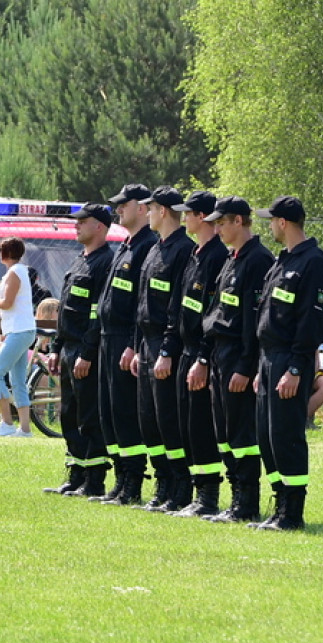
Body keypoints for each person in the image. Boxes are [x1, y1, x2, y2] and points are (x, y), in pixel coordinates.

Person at [251, 196, 323, 530]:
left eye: (271, 220)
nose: (269, 225)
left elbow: (311, 323)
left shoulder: (313, 262)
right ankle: (279, 501)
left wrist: (297, 369)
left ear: (283, 222)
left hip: (289, 359)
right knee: (267, 437)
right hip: (269, 358)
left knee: (286, 436)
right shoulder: (281, 261)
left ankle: (292, 512)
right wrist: (262, 367)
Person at [195, 196, 274, 524]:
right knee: (224, 432)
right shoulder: (231, 259)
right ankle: (234, 499)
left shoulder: (258, 260)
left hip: (238, 357)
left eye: (223, 222)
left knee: (242, 434)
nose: (217, 228)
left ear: (239, 221)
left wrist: (246, 366)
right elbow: (216, 310)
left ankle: (247, 503)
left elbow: (253, 322)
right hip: (220, 355)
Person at [92, 184, 157, 505]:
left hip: (125, 341)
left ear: (142, 208)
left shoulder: (148, 245)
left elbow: (143, 303)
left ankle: (132, 482)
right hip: (108, 339)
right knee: (110, 414)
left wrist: (133, 344)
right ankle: (119, 480)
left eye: (123, 205)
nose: (118, 210)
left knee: (126, 413)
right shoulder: (126, 245)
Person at [165, 191, 229, 517]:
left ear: (201, 216)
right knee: (187, 427)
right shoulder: (195, 254)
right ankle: (194, 494)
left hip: (202, 355)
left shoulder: (217, 257)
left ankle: (208, 498)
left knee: (202, 428)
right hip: (185, 352)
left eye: (188, 213)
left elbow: (213, 314)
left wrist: (203, 358)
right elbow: (181, 308)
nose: (184, 218)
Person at [131, 186, 195, 512]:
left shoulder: (184, 250)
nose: (149, 213)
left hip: (165, 344)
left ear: (165, 210)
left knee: (169, 418)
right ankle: (162, 484)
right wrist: (137, 348)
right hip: (146, 343)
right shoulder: (155, 249)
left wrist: (167, 351)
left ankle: (180, 487)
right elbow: (142, 303)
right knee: (149, 420)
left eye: (152, 208)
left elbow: (177, 307)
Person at [43, 204, 114, 493]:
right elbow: (65, 312)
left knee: (89, 416)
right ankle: (75, 475)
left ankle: (94, 479)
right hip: (68, 347)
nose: (77, 226)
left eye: (83, 221)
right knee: (68, 414)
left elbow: (98, 313)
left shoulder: (105, 262)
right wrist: (56, 348)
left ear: (100, 226)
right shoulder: (78, 261)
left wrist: (87, 352)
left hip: (86, 352)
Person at [0, 237, 36, 437]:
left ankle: (7, 422)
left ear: (6, 253)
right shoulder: (17, 272)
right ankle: (25, 429)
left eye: (0, 251)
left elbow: (8, 303)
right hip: (18, 329)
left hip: (19, 331)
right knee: (17, 380)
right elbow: (5, 304)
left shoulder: (15, 272)